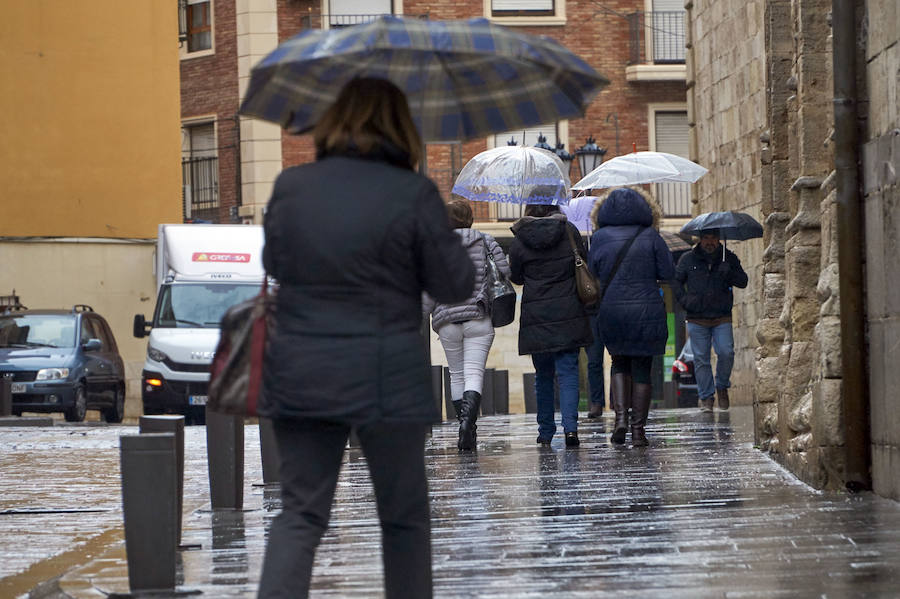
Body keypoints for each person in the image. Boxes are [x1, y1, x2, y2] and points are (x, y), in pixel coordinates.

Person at [257, 77, 475, 599]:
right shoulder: (414, 193)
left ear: (333, 122)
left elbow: (274, 262)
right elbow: (454, 284)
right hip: (388, 375)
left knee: (300, 513)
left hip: (304, 368)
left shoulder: (293, 186)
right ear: (401, 127)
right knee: (403, 519)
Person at [587, 187, 675, 447]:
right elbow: (668, 271)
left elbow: (593, 273)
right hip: (645, 308)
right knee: (642, 368)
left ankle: (620, 420)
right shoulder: (651, 236)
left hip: (612, 309)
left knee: (618, 361)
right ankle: (638, 431)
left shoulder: (600, 237)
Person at [423, 199, 510, 451]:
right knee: (474, 373)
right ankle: (467, 428)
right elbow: (505, 270)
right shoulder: (485, 240)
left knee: (456, 374)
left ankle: (466, 428)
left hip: (447, 320)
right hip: (478, 316)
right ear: (470, 218)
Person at [509, 204, 593, 447]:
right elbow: (582, 261)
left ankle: (545, 432)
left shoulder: (520, 238)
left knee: (543, 376)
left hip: (536, 316)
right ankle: (571, 430)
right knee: (568, 373)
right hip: (569, 312)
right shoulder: (569, 231)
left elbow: (516, 277)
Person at [673, 228, 748, 412]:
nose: (709, 242)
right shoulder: (687, 259)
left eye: (713, 238)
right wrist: (685, 301)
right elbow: (675, 282)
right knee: (701, 359)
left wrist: (728, 272)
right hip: (697, 317)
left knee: (726, 352)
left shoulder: (728, 257)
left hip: (721, 316)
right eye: (706, 238)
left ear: (718, 239)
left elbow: (743, 281)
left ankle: (721, 385)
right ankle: (706, 398)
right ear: (700, 239)